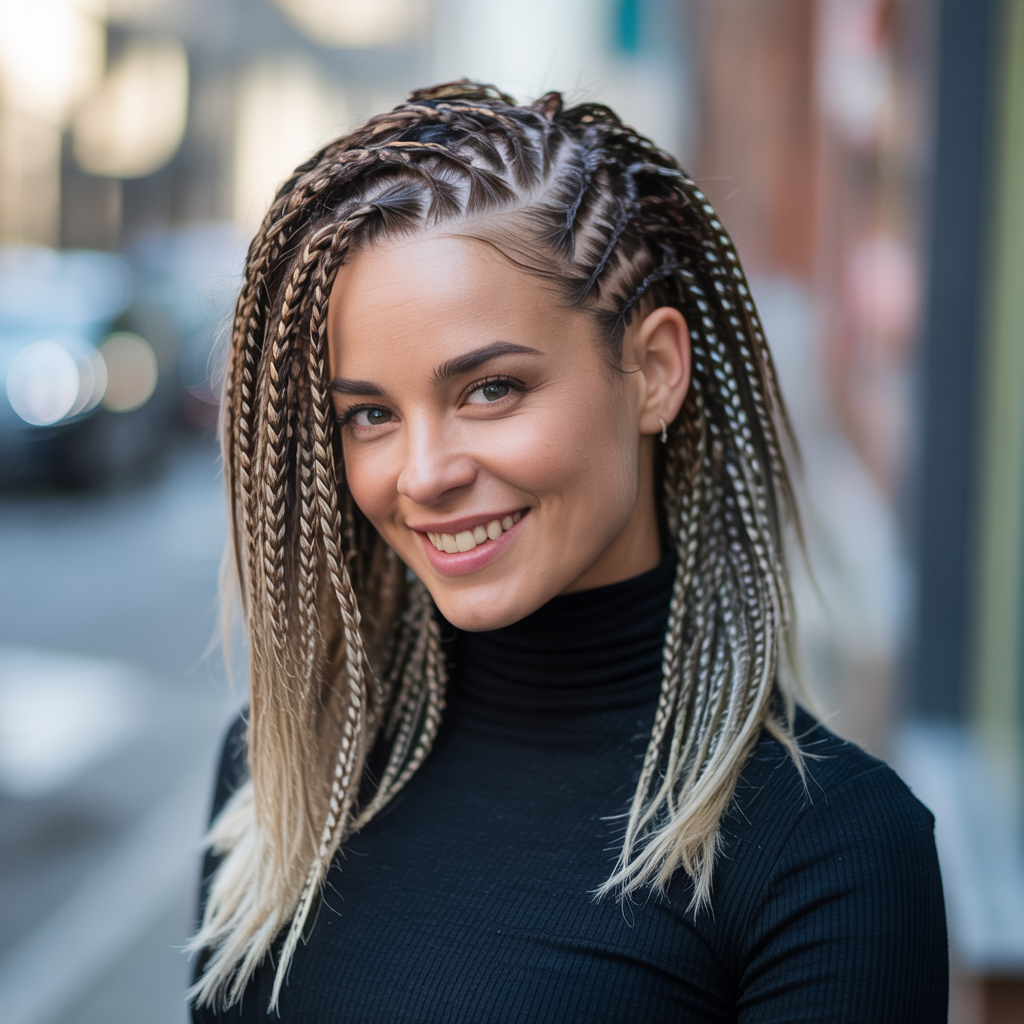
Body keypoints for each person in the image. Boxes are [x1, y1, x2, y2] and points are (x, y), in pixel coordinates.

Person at [189, 82, 947, 1022]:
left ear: (654, 371)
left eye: (491, 390)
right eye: (371, 414)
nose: (422, 475)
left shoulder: (828, 853)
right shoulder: (281, 779)